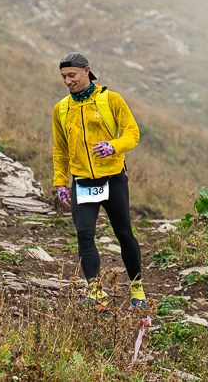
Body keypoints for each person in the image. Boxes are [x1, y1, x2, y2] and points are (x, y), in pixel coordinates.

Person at [52, 51, 146, 310]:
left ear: (86, 71)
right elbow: (60, 149)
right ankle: (96, 293)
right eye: (63, 77)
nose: (68, 81)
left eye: (72, 75)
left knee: (124, 234)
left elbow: (132, 133)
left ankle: (137, 291)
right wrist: (60, 183)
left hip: (113, 179)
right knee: (84, 235)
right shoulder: (61, 109)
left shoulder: (110, 100)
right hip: (82, 181)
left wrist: (113, 147)